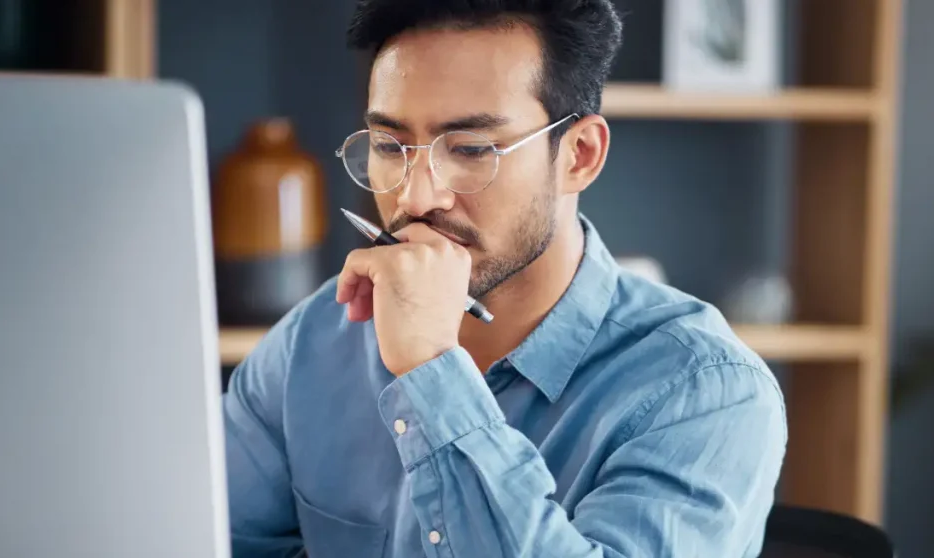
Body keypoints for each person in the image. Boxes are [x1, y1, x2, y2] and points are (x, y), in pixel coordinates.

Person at [222, 1, 787, 556]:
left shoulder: (706, 391)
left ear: (580, 155)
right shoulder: (314, 340)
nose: (416, 197)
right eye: (391, 147)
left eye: (469, 150)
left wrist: (431, 370)